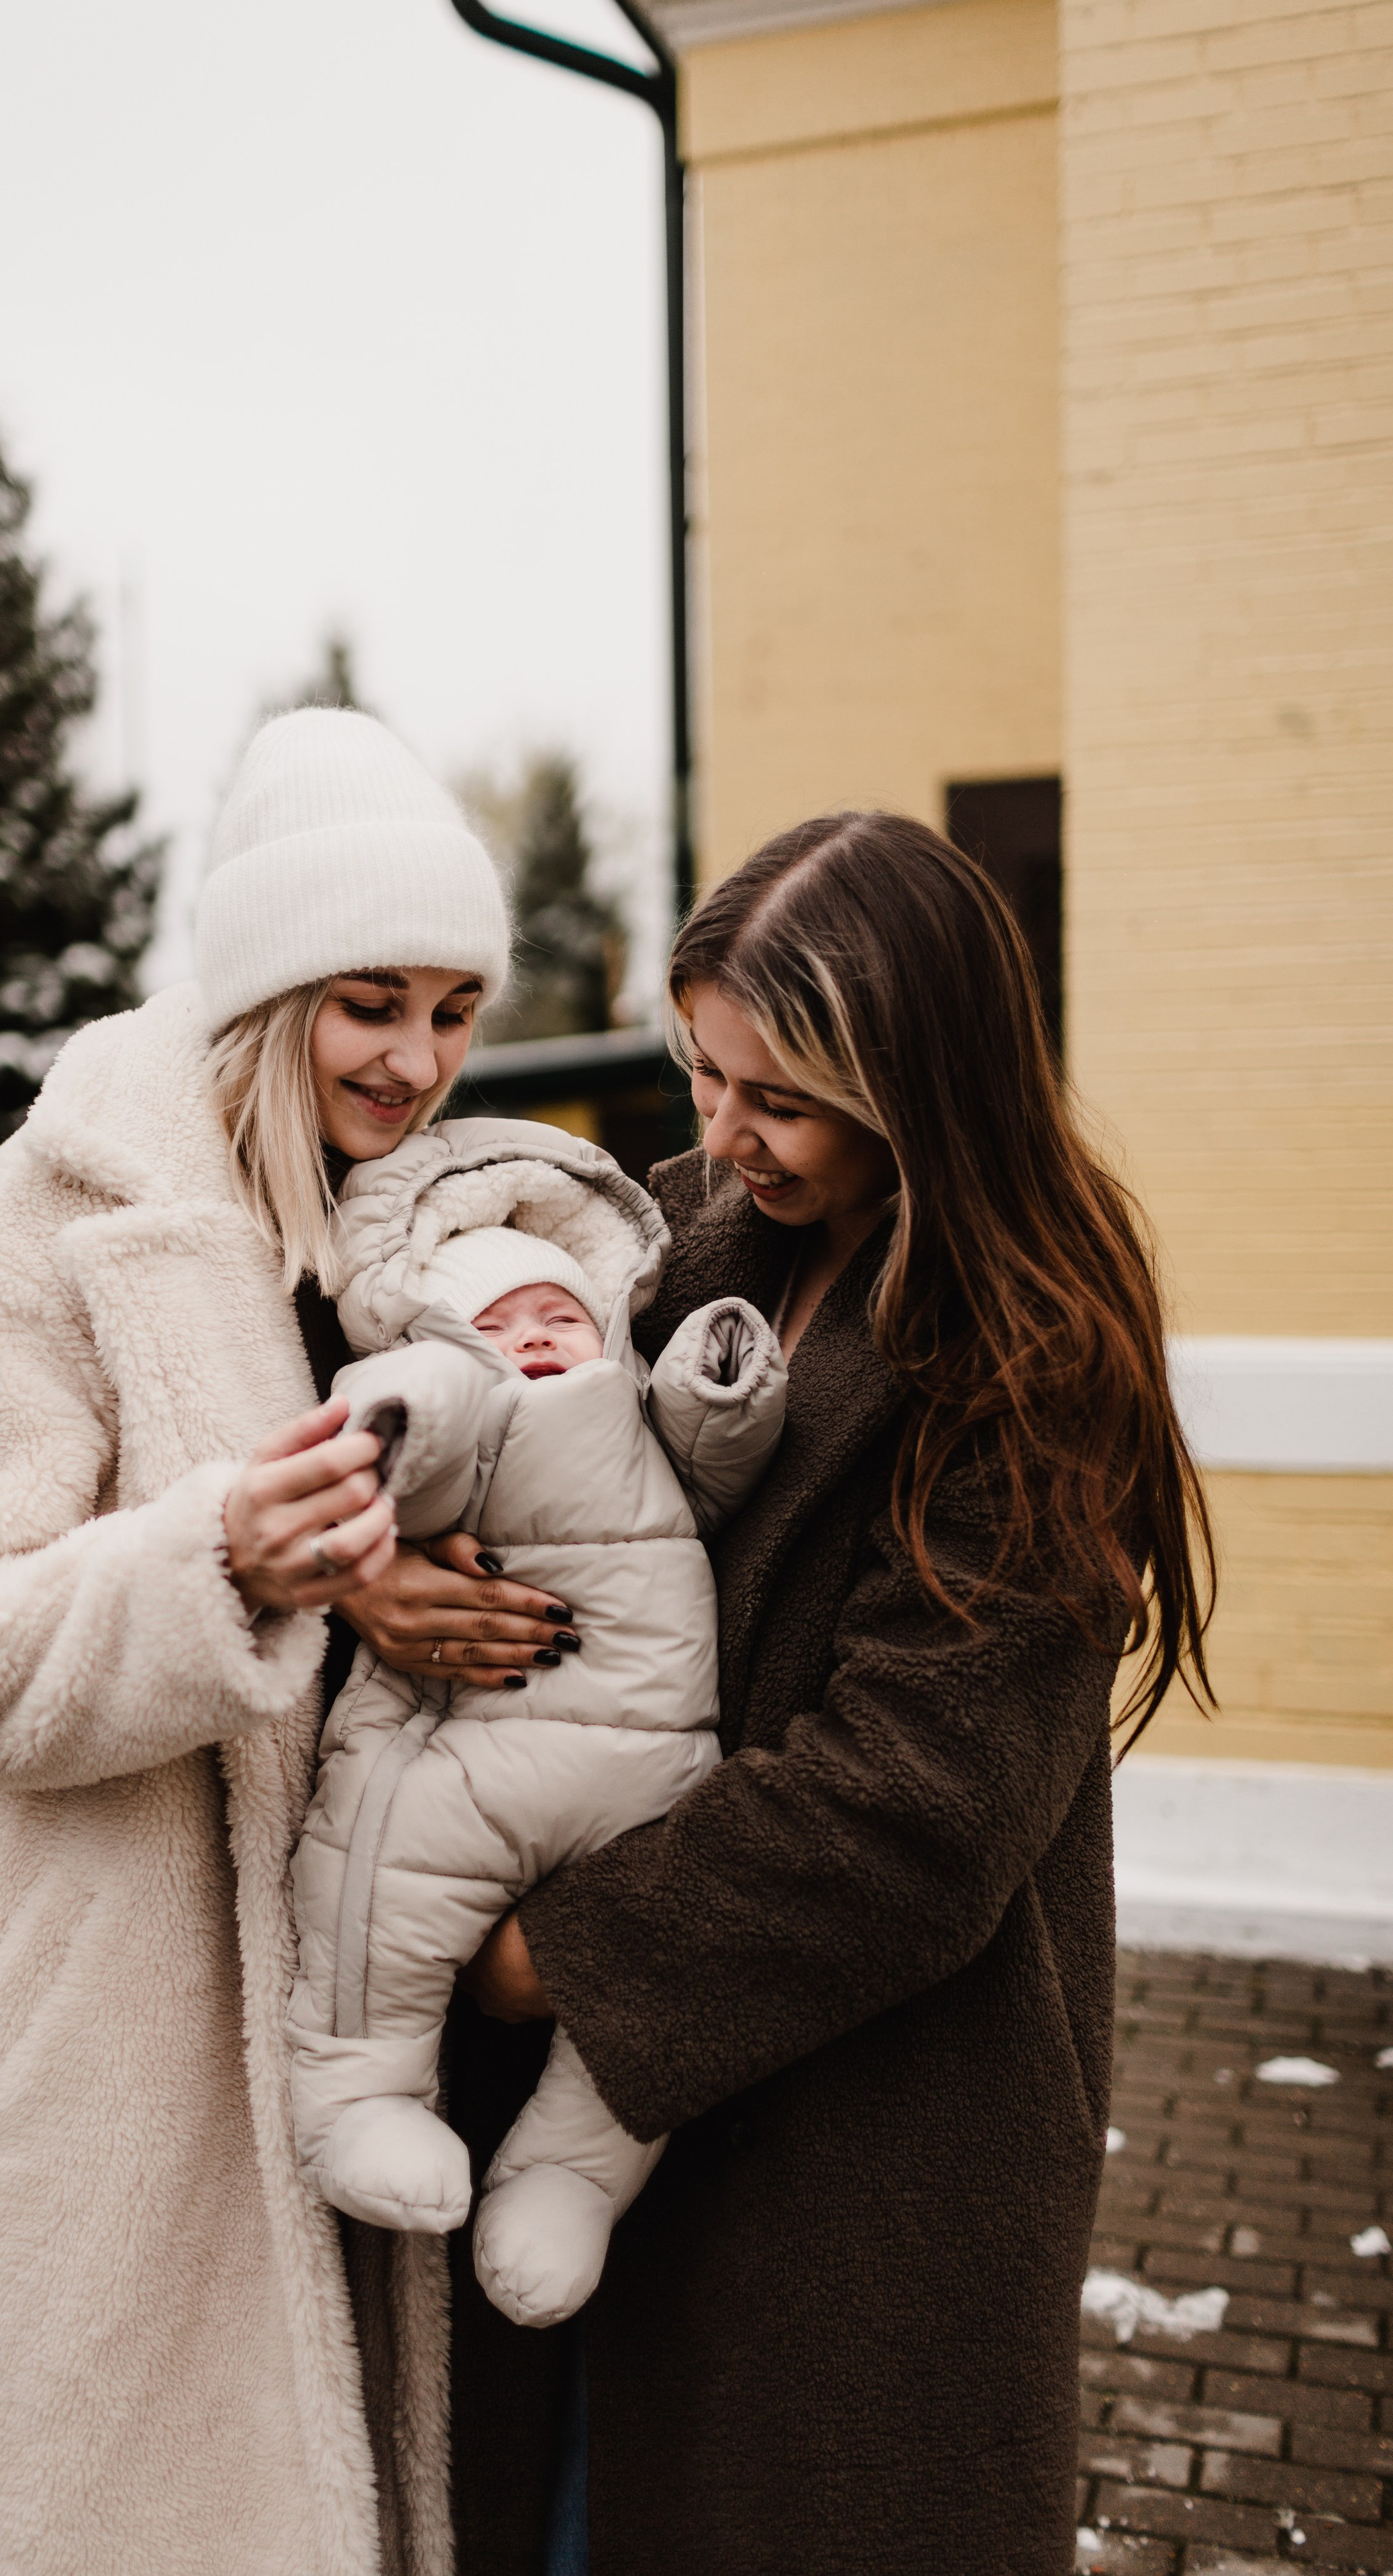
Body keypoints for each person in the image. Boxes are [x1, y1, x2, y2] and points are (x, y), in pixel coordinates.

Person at [440, 812, 1216, 2576]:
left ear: (918, 1082)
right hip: (619, 2129)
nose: (719, 1135)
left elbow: (907, 1816)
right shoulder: (699, 1239)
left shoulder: (1038, 1360)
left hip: (864, 2145)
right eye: (703, 1071)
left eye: (775, 1098)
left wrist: (535, 1953)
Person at [0, 708, 560, 2576]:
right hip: (111, 2040)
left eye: (455, 1009)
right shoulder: (50, 1219)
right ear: (266, 990)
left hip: (337, 2009)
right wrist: (221, 1563)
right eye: (370, 1003)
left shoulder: (400, 1223)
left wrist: (376, 1591)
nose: (418, 1061)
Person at [285, 1127, 785, 2331]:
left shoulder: (631, 1404)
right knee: (382, 1887)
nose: (539, 1336)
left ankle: (568, 2183)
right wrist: (401, 1415)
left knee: (653, 1994)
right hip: (475, 1756)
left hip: (654, 1779)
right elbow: (409, 1432)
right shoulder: (467, 1397)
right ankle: (362, 2097)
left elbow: (718, 1465)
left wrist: (720, 1381)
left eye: (559, 1313)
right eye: (503, 1323)